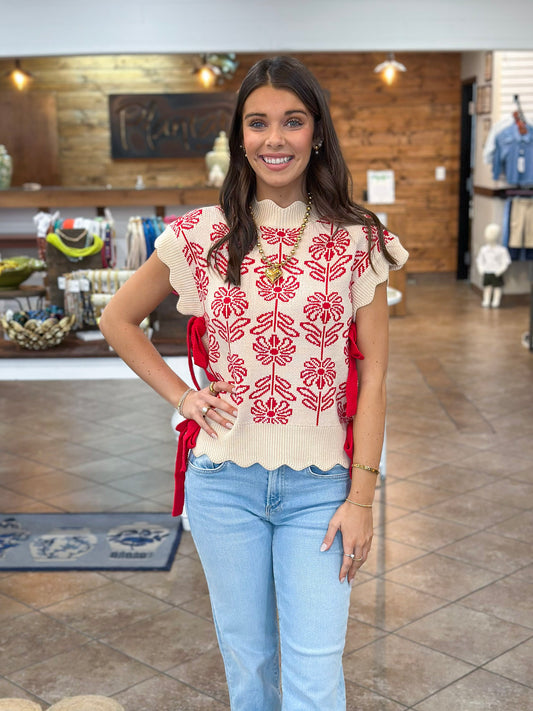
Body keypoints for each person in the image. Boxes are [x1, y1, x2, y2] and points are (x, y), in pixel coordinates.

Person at [100, 55, 408, 711]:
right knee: (250, 670)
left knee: (313, 675)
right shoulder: (200, 235)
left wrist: (362, 498)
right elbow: (117, 318)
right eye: (258, 123)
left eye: (292, 122)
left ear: (316, 133)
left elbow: (375, 374)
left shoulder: (360, 239)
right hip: (224, 484)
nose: (275, 139)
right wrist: (183, 396)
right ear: (240, 137)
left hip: (322, 490)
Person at [475, 223, 511, 308]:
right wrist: (481, 269)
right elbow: (479, 260)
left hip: (496, 272)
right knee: (487, 287)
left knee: (497, 288)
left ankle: (496, 301)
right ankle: (486, 300)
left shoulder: (502, 250)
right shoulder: (484, 249)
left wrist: (500, 270)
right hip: (487, 272)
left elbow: (505, 262)